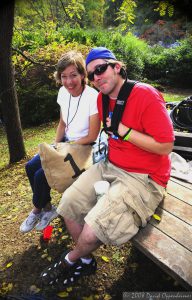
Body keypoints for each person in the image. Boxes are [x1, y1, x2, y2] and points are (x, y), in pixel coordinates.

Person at [40, 47, 174, 289]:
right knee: (67, 204)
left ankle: (70, 260)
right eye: (92, 74)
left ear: (117, 66)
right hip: (110, 165)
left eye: (101, 69)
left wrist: (127, 132)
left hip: (144, 177)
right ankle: (87, 260)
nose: (97, 77)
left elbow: (166, 146)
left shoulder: (146, 95)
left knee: (92, 231)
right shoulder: (102, 99)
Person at [20, 50, 100, 233]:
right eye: (64, 76)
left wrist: (66, 147)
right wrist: (55, 146)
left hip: (83, 148)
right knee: (30, 167)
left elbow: (93, 136)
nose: (69, 81)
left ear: (82, 74)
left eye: (73, 75)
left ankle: (37, 209)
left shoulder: (92, 97)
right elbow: (63, 123)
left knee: (42, 175)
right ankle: (49, 210)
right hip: (65, 143)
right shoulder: (63, 93)